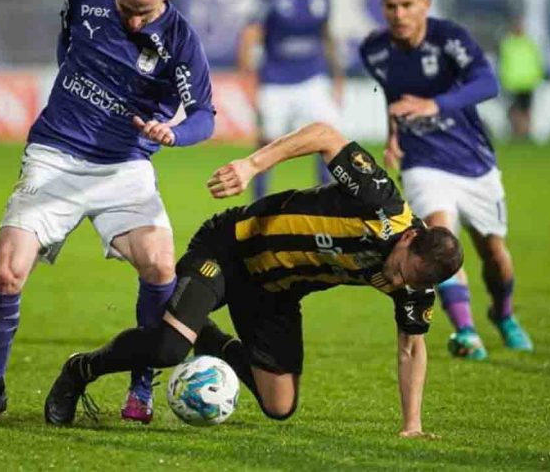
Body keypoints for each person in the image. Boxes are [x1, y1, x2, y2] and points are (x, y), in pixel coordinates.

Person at [43, 122, 463, 437]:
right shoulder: (380, 203)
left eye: (409, 282)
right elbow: (323, 134)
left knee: (279, 406)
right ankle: (81, 371)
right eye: (401, 268)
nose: (396, 280)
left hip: (274, 294)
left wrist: (412, 424)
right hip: (230, 248)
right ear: (409, 237)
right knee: (169, 348)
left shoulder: (415, 286)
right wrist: (251, 165)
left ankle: (203, 334)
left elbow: (411, 348)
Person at [0, 0, 216, 426]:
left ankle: (141, 384)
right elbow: (67, 50)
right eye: (126, 8)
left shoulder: (182, 40)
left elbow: (205, 115)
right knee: (6, 274)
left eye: (146, 11)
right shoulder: (83, 0)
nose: (135, 22)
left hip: (124, 166)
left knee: (161, 265)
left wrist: (173, 133)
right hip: (55, 155)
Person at [359, 0, 533, 360]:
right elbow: (392, 93)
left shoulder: (449, 38)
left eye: (407, 5)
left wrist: (435, 104)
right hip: (422, 162)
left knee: (494, 253)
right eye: (391, 7)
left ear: (425, 4)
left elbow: (487, 83)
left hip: (474, 160)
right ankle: (467, 332)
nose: (399, 14)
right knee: (440, 238)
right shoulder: (374, 49)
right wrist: (393, 133)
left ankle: (503, 314)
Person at [237, 0, 343, 201]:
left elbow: (328, 37)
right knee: (266, 145)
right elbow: (250, 36)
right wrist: (248, 81)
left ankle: (325, 201)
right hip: (276, 81)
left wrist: (338, 80)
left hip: (314, 79)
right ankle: (258, 207)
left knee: (327, 137)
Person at [498, 19, 544, 140]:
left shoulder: (529, 43)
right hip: (513, 82)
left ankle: (525, 133)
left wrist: (537, 77)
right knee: (515, 110)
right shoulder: (508, 44)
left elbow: (537, 61)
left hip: (528, 82)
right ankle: (517, 133)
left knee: (526, 110)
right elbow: (503, 63)